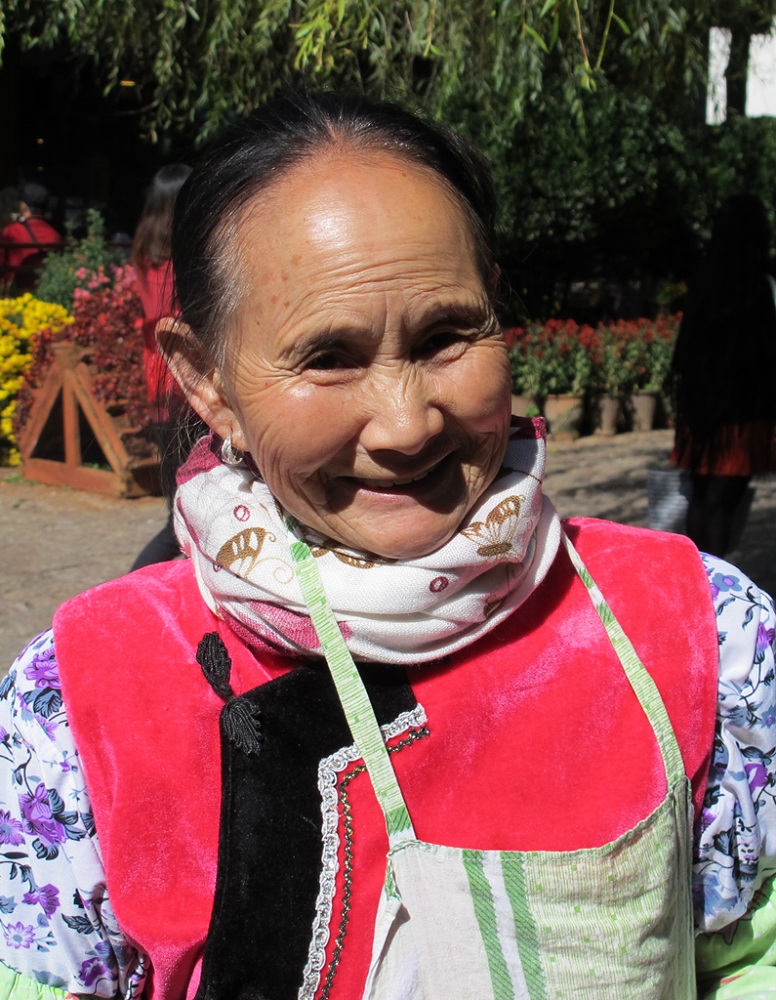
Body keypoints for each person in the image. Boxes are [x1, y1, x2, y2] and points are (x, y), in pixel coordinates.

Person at [0, 92, 774, 1000]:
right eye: (329, 356)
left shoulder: (707, 635)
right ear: (206, 380)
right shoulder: (77, 703)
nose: (408, 425)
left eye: (449, 335)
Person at [672, 194, 776, 557]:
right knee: (723, 503)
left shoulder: (704, 282)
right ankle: (712, 583)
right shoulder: (760, 287)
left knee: (701, 499)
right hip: (743, 417)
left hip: (701, 413)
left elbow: (683, 353)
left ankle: (698, 574)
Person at [129, 164, 193, 569]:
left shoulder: (143, 253)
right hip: (188, 388)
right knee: (183, 515)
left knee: (180, 506)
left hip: (161, 390)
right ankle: (136, 587)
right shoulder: (183, 256)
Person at [0, 182, 62, 290]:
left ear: (23, 206)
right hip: (46, 299)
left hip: (14, 299)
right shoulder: (55, 235)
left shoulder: (11, 231)